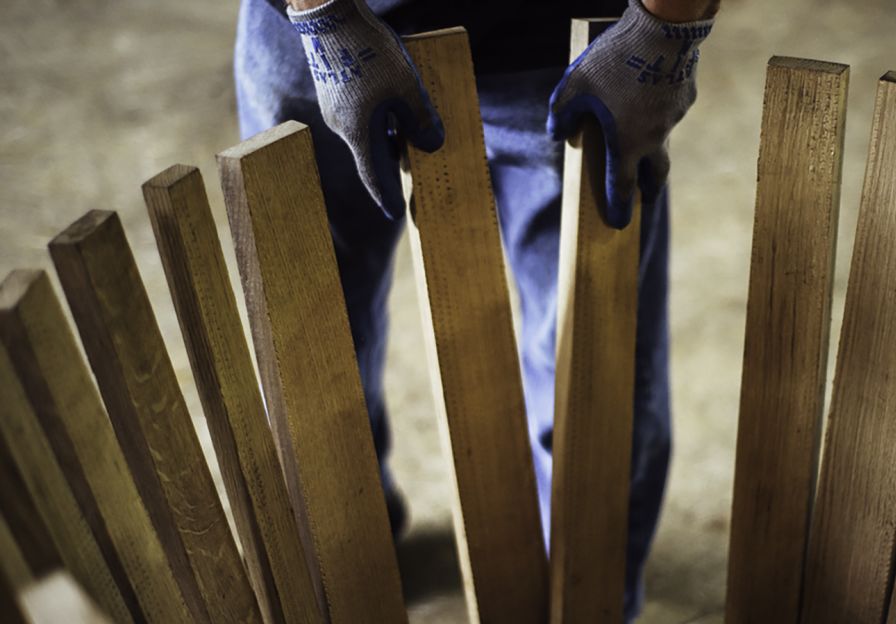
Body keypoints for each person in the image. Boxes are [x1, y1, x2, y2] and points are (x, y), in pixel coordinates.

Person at [234, 0, 717, 618]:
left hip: (567, 49)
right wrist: (324, 20)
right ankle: (348, 560)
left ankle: (583, 592)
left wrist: (663, 32)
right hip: (327, 26)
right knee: (310, 326)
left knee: (593, 355)